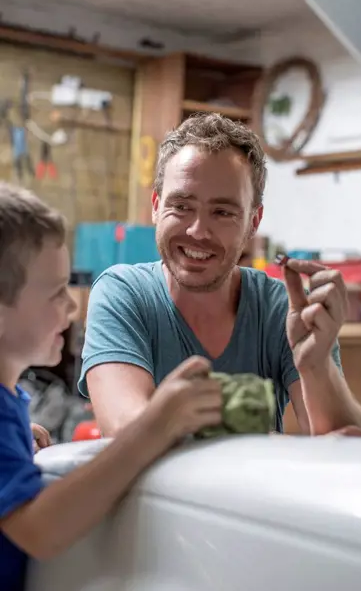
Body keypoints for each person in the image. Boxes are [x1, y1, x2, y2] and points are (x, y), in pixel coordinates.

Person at [80, 113, 361, 437]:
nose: (197, 231)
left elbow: (348, 447)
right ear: (156, 205)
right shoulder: (123, 294)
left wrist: (316, 365)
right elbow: (126, 432)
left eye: (222, 212)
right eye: (181, 206)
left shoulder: (280, 307)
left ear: (253, 221)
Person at [0, 182, 222, 591]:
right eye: (55, 293)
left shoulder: (10, 403)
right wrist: (153, 428)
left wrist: (14, 445)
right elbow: (41, 530)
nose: (70, 306)